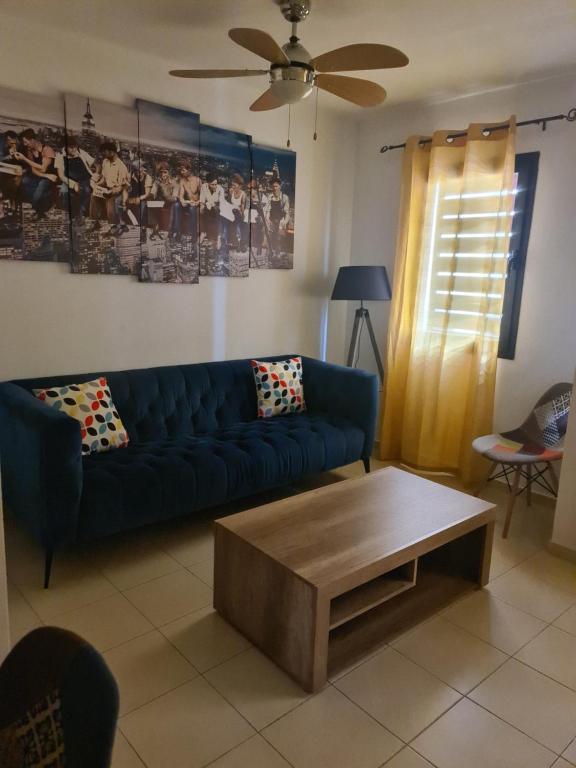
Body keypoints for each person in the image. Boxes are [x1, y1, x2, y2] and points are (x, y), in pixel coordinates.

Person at [13, 128, 58, 220]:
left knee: (41, 187)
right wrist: (45, 175)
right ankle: (40, 209)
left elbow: (43, 168)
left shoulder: (47, 150)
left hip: (51, 178)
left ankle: (36, 209)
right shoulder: (29, 151)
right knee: (24, 180)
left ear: (33, 140)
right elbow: (34, 170)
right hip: (43, 176)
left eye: (26, 142)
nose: (25, 145)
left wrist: (24, 159)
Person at [88, 141, 130, 234]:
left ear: (112, 152)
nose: (103, 154)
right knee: (94, 196)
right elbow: (104, 178)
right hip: (107, 188)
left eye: (104, 152)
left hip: (118, 190)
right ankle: (95, 222)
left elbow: (122, 186)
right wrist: (97, 185)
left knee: (111, 202)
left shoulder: (121, 167)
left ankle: (115, 225)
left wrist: (111, 192)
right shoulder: (105, 162)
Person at [55, 135, 95, 222]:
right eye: (71, 148)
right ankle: (72, 214)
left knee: (86, 190)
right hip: (69, 180)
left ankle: (81, 212)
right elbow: (61, 175)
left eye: (75, 147)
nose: (74, 150)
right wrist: (73, 184)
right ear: (65, 147)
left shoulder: (80, 152)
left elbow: (93, 162)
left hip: (85, 178)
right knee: (64, 192)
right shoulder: (60, 156)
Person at [172, 161, 200, 241]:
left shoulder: (197, 180)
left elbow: (203, 196)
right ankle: (178, 232)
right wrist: (183, 201)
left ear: (189, 170)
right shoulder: (182, 181)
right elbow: (181, 196)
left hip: (196, 204)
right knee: (177, 205)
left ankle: (193, 234)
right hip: (188, 203)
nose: (182, 172)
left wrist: (197, 202)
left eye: (183, 170)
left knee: (192, 208)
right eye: (181, 170)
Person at [148, 162, 177, 240]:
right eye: (161, 172)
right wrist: (151, 195)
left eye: (165, 172)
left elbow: (174, 198)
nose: (162, 174)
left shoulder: (173, 182)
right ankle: (155, 229)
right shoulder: (157, 181)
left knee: (171, 207)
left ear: (168, 172)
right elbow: (153, 193)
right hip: (160, 202)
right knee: (152, 206)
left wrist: (164, 191)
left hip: (170, 203)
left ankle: (166, 230)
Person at [0, 130, 24, 216]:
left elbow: (22, 164)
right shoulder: (3, 145)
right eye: (11, 142)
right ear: (7, 140)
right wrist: (8, 156)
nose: (13, 144)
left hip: (14, 171)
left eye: (14, 142)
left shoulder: (18, 145)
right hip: (5, 170)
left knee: (18, 179)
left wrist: (17, 156)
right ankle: (10, 201)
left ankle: (12, 201)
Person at [265, 179, 290, 255]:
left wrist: (284, 222)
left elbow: (287, 213)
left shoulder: (284, 197)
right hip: (272, 219)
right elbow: (268, 210)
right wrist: (267, 219)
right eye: (273, 186)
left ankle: (278, 253)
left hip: (281, 219)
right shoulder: (270, 197)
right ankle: (269, 251)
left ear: (280, 187)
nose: (275, 188)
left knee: (279, 236)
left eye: (276, 186)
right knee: (268, 233)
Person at [199, 175, 225, 250]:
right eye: (212, 184)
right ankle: (203, 232)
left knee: (218, 212)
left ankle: (218, 236)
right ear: (208, 183)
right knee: (202, 210)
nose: (214, 186)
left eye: (215, 184)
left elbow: (222, 203)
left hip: (218, 207)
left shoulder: (220, 189)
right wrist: (202, 206)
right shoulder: (204, 186)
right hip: (208, 206)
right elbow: (202, 200)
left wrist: (214, 205)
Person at [228, 174, 247, 251]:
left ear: (239, 186)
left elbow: (243, 206)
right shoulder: (231, 191)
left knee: (239, 225)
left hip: (239, 213)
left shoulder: (243, 194)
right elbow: (229, 203)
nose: (233, 187)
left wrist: (242, 215)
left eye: (235, 185)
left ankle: (241, 244)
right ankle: (234, 242)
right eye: (232, 185)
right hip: (231, 212)